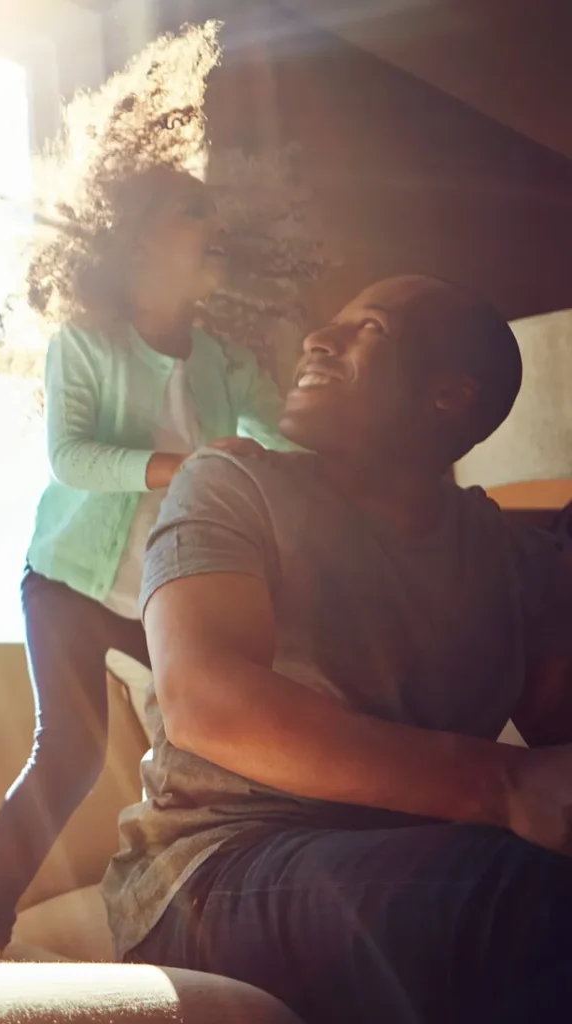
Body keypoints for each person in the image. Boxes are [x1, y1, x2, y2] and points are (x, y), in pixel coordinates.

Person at [102, 275, 572, 1023]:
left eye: (370, 328)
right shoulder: (231, 483)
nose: (318, 339)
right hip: (212, 868)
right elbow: (206, 704)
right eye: (333, 324)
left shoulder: (516, 562)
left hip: (415, 858)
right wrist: (504, 785)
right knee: (529, 899)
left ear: (450, 395)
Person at [0, 24, 302, 959]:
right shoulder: (86, 347)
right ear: (141, 240)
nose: (214, 229)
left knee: (211, 748)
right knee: (69, 755)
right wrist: (183, 467)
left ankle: (191, 916)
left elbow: (284, 439)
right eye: (195, 215)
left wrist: (315, 432)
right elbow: (71, 458)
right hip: (68, 583)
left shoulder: (226, 363)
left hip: (160, 595)